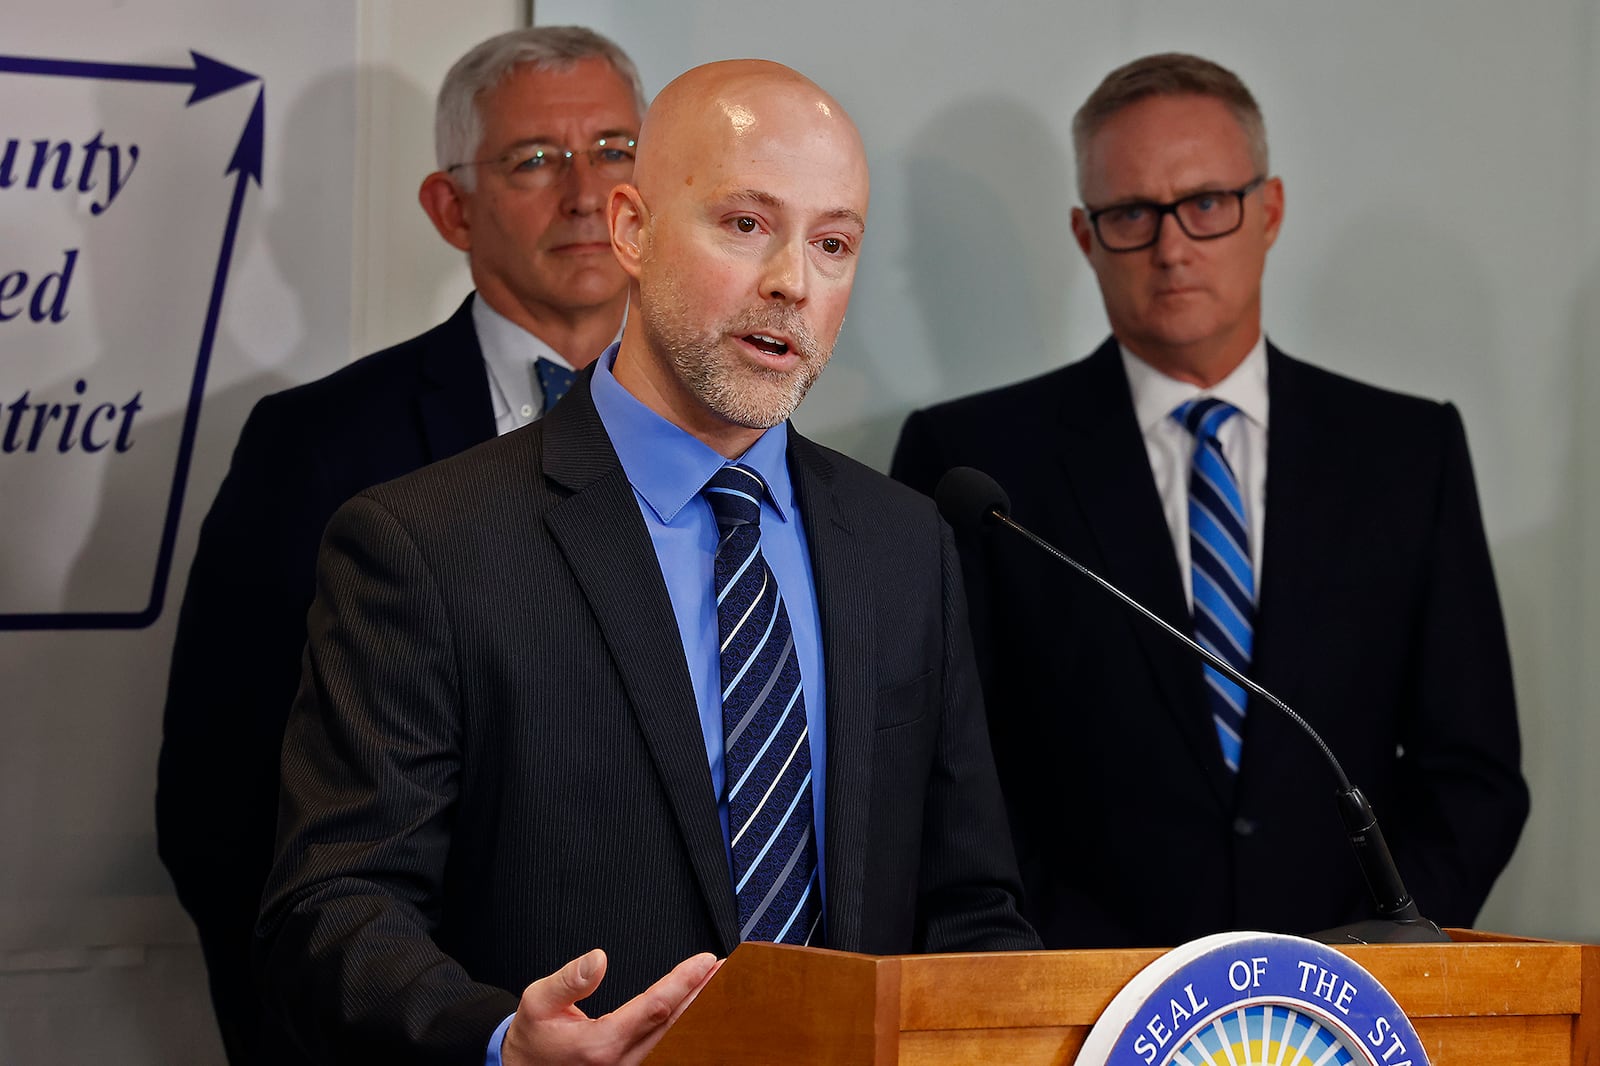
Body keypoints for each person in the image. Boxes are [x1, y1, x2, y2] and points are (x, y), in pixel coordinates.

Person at [257, 58, 1038, 1065]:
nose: (791, 282)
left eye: (832, 243)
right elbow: (331, 911)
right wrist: (499, 1039)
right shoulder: (426, 544)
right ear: (630, 227)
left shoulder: (903, 543)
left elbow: (970, 904)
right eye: (746, 225)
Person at [891, 52, 1528, 949]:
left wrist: (1379, 956)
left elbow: (1474, 771)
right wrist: (1062, 967)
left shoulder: (1406, 452)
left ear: (1267, 212)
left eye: (1205, 204)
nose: (1172, 245)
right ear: (1084, 234)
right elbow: (946, 774)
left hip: (1350, 1007)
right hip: (1081, 1001)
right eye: (1131, 215)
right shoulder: (973, 464)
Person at [155, 26, 647, 1064]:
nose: (585, 194)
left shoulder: (736, 441)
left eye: (615, 150)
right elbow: (221, 805)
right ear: (450, 207)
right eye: (534, 160)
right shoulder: (319, 447)